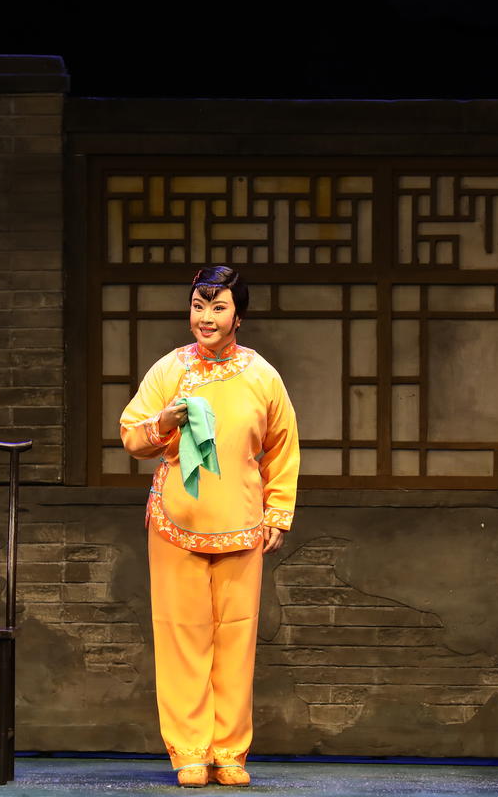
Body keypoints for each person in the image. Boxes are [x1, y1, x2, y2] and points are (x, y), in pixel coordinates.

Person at [120, 266, 300, 787]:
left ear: (238, 316)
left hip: (241, 521)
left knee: (236, 640)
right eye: (199, 306)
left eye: (218, 308)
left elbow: (283, 447)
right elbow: (131, 435)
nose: (206, 317)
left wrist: (278, 511)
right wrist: (164, 423)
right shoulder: (169, 369)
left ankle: (229, 753)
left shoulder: (261, 375)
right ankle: (189, 752)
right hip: (176, 520)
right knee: (181, 637)